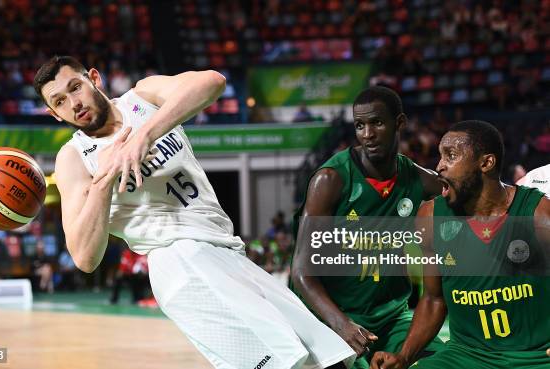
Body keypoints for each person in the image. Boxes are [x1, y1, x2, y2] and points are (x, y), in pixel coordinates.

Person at [34, 56, 355, 369]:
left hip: (227, 251)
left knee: (324, 358)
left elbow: (212, 82)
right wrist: (104, 178)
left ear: (94, 78)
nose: (73, 103)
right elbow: (85, 258)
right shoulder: (73, 158)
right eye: (59, 102)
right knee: (284, 361)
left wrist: (144, 135)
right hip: (179, 261)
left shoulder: (142, 97)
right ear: (54, 114)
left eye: (75, 88)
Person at [370, 120, 550, 369]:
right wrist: (403, 356)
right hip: (465, 357)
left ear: (486, 163)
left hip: (535, 357)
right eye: (441, 156)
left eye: (451, 156)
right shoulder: (429, 219)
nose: (439, 166)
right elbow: (434, 300)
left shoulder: (538, 214)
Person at [292, 86, 445, 369]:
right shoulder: (330, 180)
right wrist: (343, 325)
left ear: (399, 123)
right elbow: (302, 274)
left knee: (443, 362)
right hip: (335, 318)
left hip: (394, 317)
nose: (367, 134)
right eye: (360, 125)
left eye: (377, 123)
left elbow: (473, 193)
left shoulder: (419, 179)